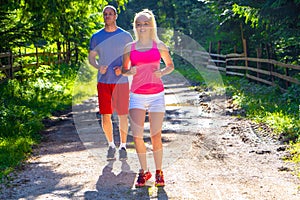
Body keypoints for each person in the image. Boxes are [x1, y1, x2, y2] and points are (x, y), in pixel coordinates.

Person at [122, 9, 174, 187]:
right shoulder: (130, 47)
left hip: (156, 96)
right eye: (138, 24)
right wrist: (130, 71)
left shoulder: (159, 45)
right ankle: (144, 172)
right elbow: (124, 70)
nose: (142, 27)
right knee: (137, 136)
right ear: (135, 27)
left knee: (155, 135)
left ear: (151, 25)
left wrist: (162, 72)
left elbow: (170, 65)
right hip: (137, 95)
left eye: (145, 23)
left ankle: (159, 172)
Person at [88, 5, 133, 161]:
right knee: (105, 114)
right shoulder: (96, 37)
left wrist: (123, 68)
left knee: (122, 114)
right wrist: (98, 66)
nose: (108, 16)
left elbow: (131, 58)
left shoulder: (126, 36)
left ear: (115, 16)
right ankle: (111, 145)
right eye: (105, 14)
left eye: (110, 14)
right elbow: (91, 57)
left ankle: (123, 146)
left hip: (121, 81)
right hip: (103, 81)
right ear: (103, 17)